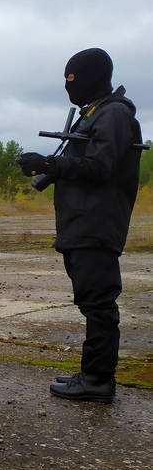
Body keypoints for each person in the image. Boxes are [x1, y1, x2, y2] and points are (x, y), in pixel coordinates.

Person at [17, 48, 144, 403]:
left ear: (91, 77)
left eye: (72, 79)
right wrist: (48, 166)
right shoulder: (95, 114)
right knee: (92, 302)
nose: (68, 87)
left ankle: (98, 380)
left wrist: (51, 165)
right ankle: (92, 372)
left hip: (97, 223)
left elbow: (101, 167)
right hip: (82, 223)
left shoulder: (115, 115)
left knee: (100, 304)